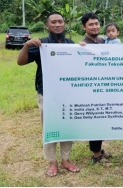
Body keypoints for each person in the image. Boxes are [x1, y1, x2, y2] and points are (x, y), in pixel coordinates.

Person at [17, 12, 80, 176]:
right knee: (49, 126)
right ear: (47, 26)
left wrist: (83, 50)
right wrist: (26, 46)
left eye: (60, 21)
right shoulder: (41, 44)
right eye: (53, 22)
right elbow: (20, 62)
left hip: (67, 93)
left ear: (64, 24)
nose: (57, 24)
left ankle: (66, 160)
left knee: (67, 126)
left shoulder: (70, 44)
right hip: (46, 93)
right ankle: (52, 162)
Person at [80, 12, 112, 163]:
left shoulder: (102, 41)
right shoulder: (83, 45)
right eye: (91, 24)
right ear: (84, 27)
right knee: (95, 121)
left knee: (103, 120)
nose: (95, 27)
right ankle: (96, 155)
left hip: (105, 87)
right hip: (92, 90)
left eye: (97, 24)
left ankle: (100, 149)